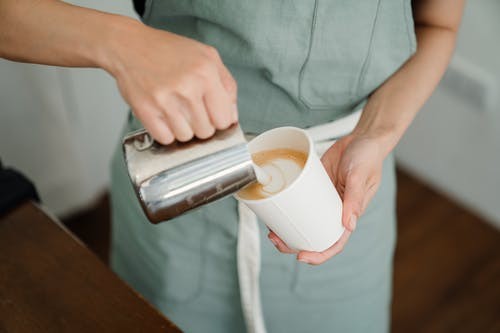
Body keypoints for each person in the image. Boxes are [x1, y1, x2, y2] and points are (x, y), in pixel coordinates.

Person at [0, 0, 464, 331]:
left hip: (337, 187)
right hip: (175, 184)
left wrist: (373, 136)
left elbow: (438, 24)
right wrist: (122, 43)